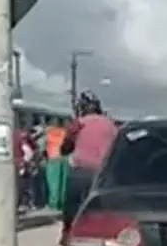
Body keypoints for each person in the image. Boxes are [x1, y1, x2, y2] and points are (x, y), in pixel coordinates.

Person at [60, 92, 119, 236]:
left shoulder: (79, 123)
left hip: (81, 170)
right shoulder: (111, 125)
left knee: (71, 206)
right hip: (103, 173)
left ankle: (67, 234)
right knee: (102, 209)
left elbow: (65, 148)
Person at [43, 124, 69, 210]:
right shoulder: (64, 132)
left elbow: (42, 148)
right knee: (63, 183)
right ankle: (62, 204)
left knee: (53, 184)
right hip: (64, 158)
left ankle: (53, 205)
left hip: (52, 158)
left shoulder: (48, 133)